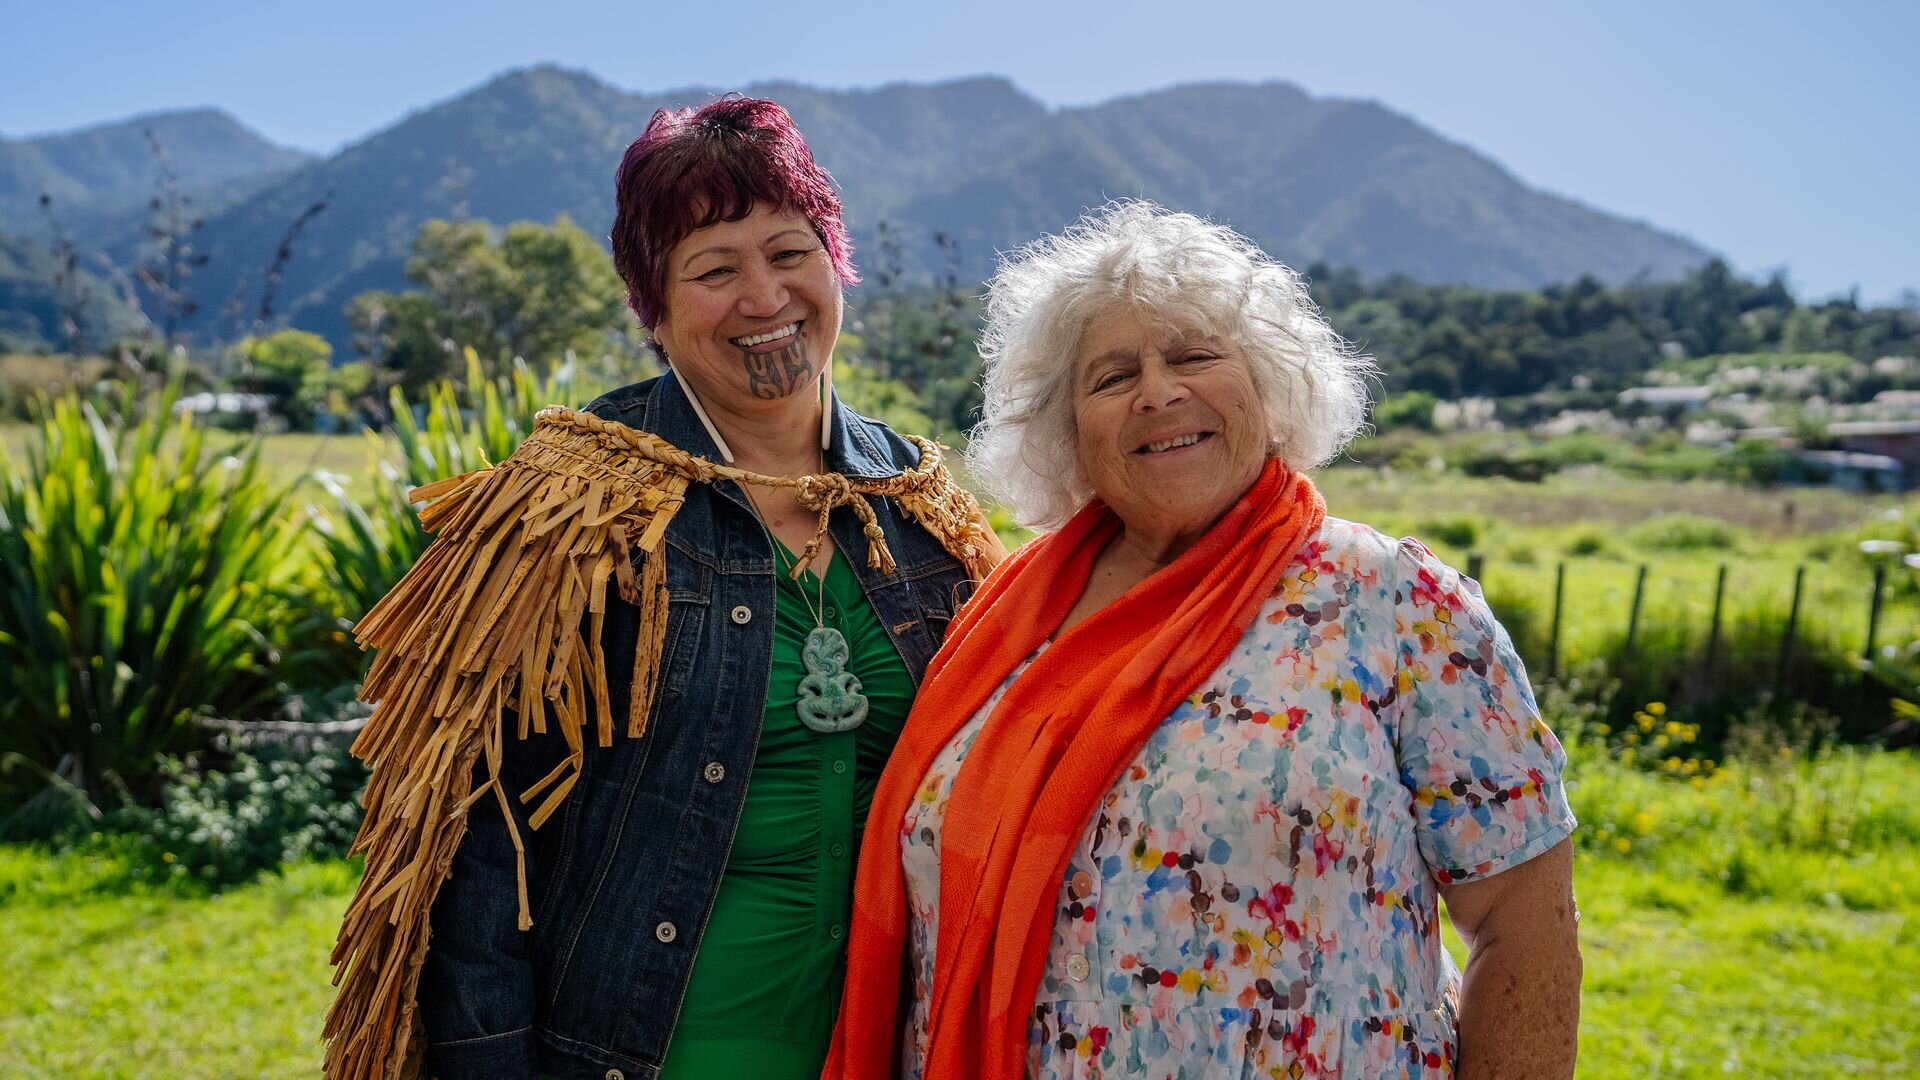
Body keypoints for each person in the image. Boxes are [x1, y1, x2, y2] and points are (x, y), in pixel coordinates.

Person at [322, 97, 1001, 1080]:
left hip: (885, 1044)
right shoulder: (576, 509)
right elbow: (472, 842)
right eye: (715, 270)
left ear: (835, 260)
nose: (765, 297)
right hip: (642, 1052)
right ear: (654, 305)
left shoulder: (917, 508)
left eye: (790, 251)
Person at [830, 202, 1581, 1079]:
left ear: (1269, 386)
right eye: (1112, 377)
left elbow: (1524, 927)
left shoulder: (1395, 602)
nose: (1157, 392)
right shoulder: (997, 617)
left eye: (1192, 355)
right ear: (1067, 431)